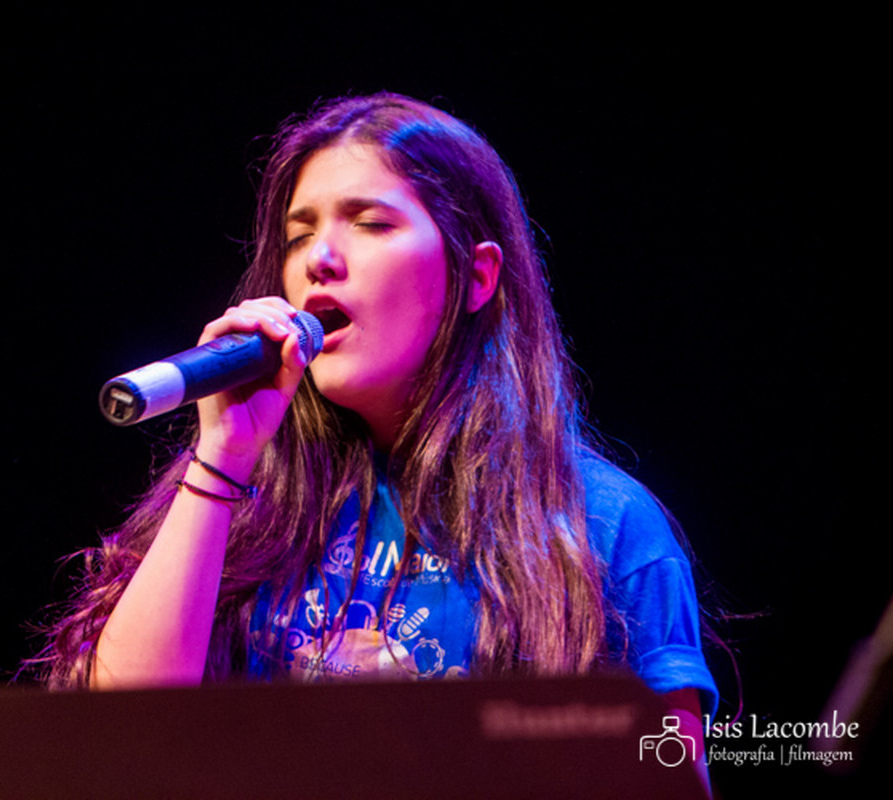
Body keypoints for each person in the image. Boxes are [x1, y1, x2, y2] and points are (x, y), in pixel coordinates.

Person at [39, 92, 717, 770]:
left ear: (475, 277)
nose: (319, 259)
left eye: (369, 223)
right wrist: (222, 453)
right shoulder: (251, 498)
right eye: (299, 234)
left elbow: (665, 780)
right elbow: (120, 735)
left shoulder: (602, 524)